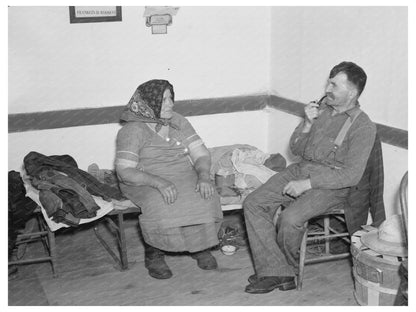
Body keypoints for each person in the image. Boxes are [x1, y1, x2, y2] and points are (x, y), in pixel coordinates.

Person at [243, 61, 377, 294]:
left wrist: (308, 184)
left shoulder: (363, 126)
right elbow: (297, 150)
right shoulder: (322, 112)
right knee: (253, 203)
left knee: (290, 218)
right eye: (328, 82)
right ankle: (277, 271)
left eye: (334, 85)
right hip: (302, 170)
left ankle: (284, 272)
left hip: (333, 185)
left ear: (352, 92)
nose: (328, 89)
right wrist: (306, 123)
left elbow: (352, 175)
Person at [115, 79, 223, 279]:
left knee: (204, 195)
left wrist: (203, 176)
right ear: (148, 103)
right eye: (163, 100)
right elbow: (125, 171)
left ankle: (199, 246)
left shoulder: (178, 120)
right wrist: (159, 182)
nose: (170, 104)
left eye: (171, 98)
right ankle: (154, 252)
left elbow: (200, 153)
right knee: (162, 202)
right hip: (143, 178)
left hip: (181, 172)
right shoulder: (132, 131)